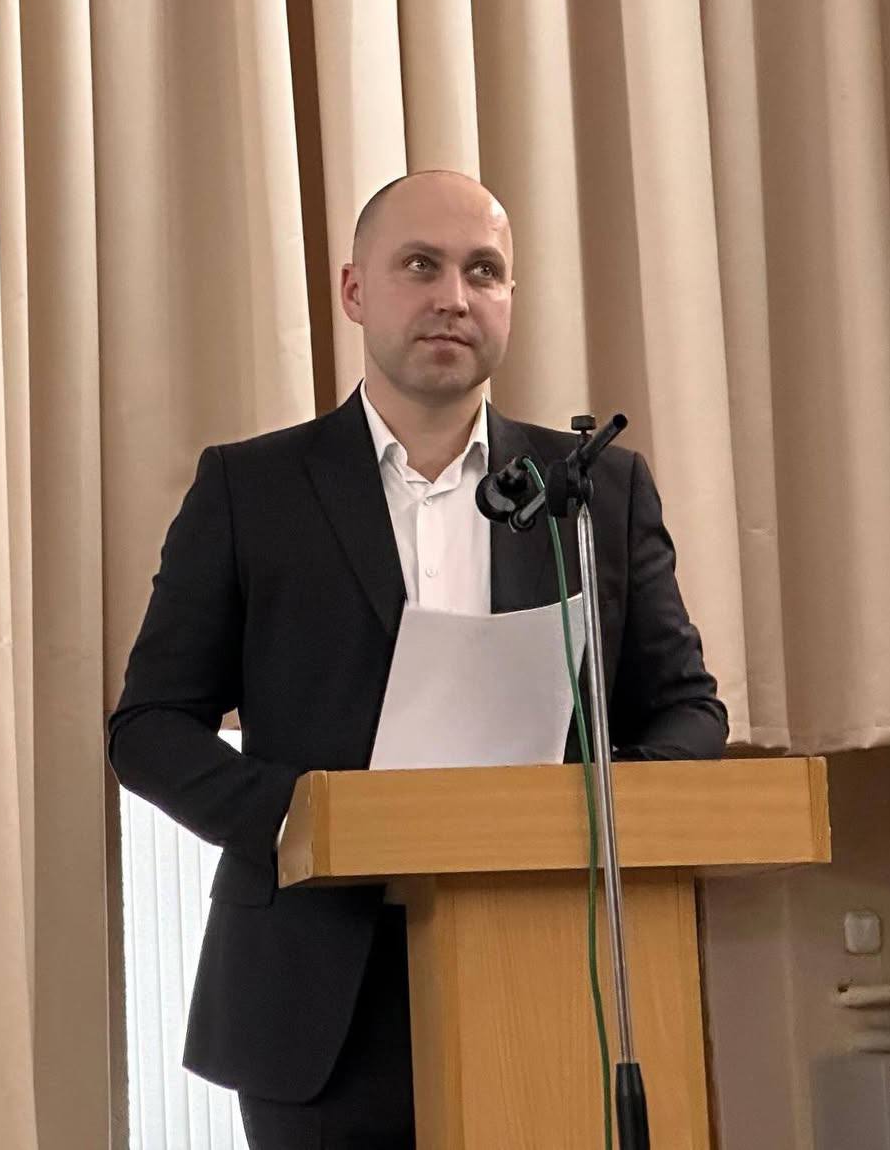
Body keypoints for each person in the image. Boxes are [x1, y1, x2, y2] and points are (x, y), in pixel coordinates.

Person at [107, 170, 728, 1149]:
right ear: (356, 291)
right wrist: (309, 817)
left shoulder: (595, 491)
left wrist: (594, 813)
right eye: (421, 266)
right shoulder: (250, 489)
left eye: (483, 271)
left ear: (510, 297)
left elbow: (690, 710)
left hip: (557, 967)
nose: (454, 297)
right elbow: (149, 729)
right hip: (314, 990)